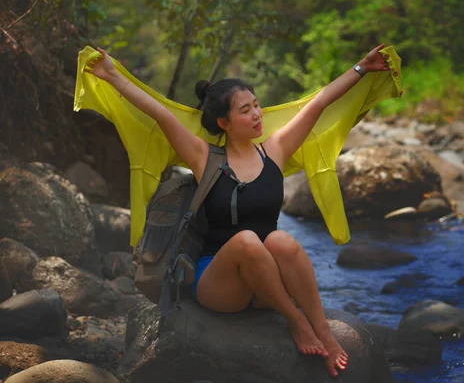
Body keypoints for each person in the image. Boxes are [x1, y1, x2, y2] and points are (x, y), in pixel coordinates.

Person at [88, 44, 390, 378]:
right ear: (224, 122)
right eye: (246, 110)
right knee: (248, 240)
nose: (258, 114)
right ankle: (297, 322)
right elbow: (161, 114)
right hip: (220, 285)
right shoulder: (205, 158)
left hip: (267, 285)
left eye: (257, 105)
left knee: (281, 241)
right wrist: (112, 76)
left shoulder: (274, 151)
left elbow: (318, 103)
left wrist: (361, 68)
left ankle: (325, 332)